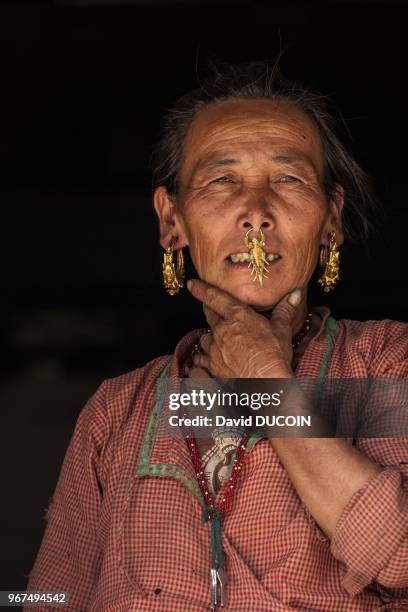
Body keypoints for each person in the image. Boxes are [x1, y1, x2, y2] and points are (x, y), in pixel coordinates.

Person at [24, 62, 408, 611]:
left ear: (332, 221)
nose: (255, 214)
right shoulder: (116, 412)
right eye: (223, 179)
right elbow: (49, 598)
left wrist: (268, 379)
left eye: (289, 179)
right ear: (171, 221)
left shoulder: (387, 364)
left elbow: (401, 560)